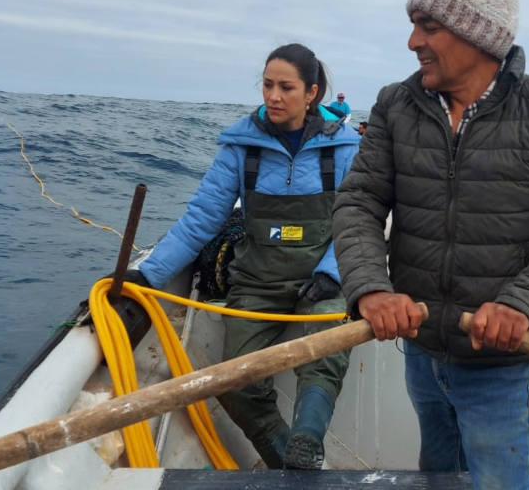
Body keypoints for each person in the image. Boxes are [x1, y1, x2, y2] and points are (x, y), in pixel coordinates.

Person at [332, 0, 529, 490]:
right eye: (414, 25)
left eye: (428, 26)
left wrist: (522, 301)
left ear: (477, 34)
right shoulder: (395, 104)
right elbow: (360, 201)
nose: (413, 42)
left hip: (502, 363)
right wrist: (370, 287)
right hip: (421, 351)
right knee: (440, 474)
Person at [134, 43, 361, 469]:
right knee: (233, 381)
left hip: (322, 278)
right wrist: (147, 278)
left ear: (311, 93)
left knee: (327, 349)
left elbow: (358, 223)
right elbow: (200, 219)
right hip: (257, 282)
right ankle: (288, 460)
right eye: (268, 85)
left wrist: (332, 273)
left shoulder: (345, 149)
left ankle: (308, 439)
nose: (273, 96)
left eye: (286, 87)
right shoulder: (240, 147)